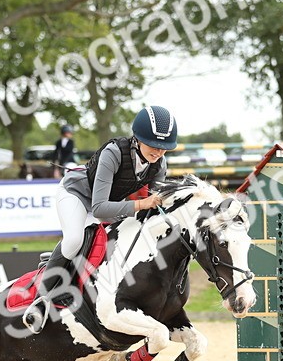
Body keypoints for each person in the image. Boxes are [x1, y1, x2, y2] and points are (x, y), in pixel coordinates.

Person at [22, 105, 177, 333]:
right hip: (77, 195)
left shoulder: (159, 164)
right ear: (138, 139)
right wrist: (141, 204)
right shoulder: (113, 153)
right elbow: (99, 208)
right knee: (75, 239)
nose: (158, 152)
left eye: (164, 148)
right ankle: (40, 300)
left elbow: (154, 208)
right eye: (154, 146)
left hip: (108, 204)